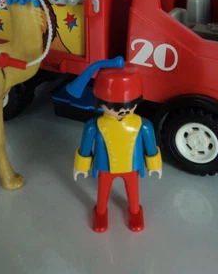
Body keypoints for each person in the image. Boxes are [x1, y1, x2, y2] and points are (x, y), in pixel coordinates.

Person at [67, 57, 162, 232]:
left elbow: (150, 145)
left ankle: (135, 211)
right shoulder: (94, 126)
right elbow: (85, 147)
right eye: (115, 108)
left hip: (131, 166)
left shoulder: (142, 125)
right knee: (103, 192)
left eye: (129, 106)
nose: (123, 112)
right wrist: (81, 166)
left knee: (133, 192)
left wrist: (154, 164)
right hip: (105, 166)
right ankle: (101, 212)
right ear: (101, 104)